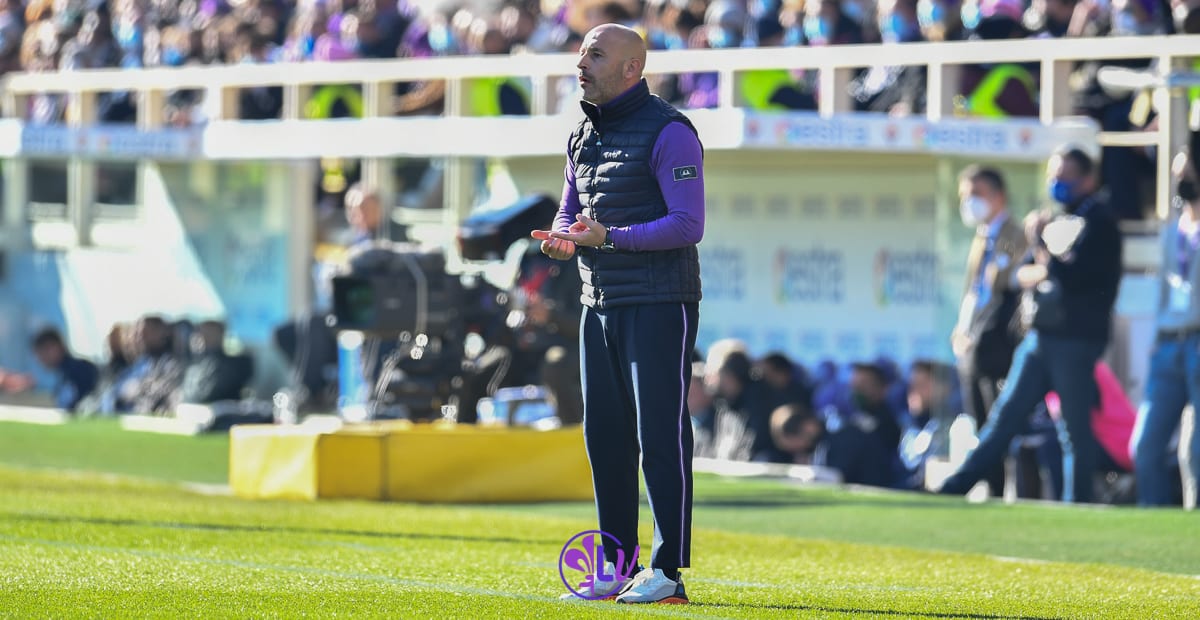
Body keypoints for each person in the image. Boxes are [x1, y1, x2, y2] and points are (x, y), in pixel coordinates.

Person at [530, 23, 703, 605]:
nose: (581, 63)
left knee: (661, 437)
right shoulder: (582, 132)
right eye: (581, 53)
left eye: (595, 55)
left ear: (632, 68)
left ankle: (668, 574)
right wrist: (562, 239)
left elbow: (688, 224)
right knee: (604, 437)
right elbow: (569, 210)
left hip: (660, 303)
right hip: (596, 300)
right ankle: (614, 566)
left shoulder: (671, 131)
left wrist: (608, 238)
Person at [939, 147, 1123, 504]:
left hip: (1076, 340)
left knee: (1073, 431)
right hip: (1040, 336)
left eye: (1065, 176)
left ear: (1087, 179)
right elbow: (1020, 274)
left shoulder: (1099, 221)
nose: (1057, 183)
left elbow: (1073, 276)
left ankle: (1077, 503)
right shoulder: (1059, 218)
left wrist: (1044, 255)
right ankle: (956, 487)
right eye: (1053, 175)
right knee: (1004, 417)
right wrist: (1044, 261)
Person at [952, 165, 1028, 496]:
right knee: (979, 420)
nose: (970, 202)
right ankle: (989, 486)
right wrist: (962, 327)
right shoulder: (980, 238)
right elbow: (973, 291)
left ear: (999, 196)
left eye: (977, 194)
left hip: (997, 345)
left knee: (998, 422)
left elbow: (1008, 287)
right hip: (973, 343)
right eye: (965, 196)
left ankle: (1002, 488)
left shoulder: (1016, 234)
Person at [1130, 150, 1200, 506]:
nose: (1181, 180)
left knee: (1197, 452)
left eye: (1185, 171)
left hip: (1197, 339)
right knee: (1145, 445)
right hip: (1170, 342)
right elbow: (1164, 287)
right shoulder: (1173, 229)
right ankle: (1153, 517)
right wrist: (1157, 337)